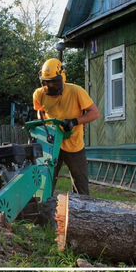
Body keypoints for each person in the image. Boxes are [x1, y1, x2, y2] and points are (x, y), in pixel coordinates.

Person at [33, 58, 101, 195]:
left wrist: (74, 122)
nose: (51, 86)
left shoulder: (76, 91)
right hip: (51, 144)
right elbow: (40, 112)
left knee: (80, 184)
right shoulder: (39, 94)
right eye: (47, 82)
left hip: (74, 144)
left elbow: (95, 113)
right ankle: (43, 209)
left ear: (62, 77)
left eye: (54, 81)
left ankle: (81, 210)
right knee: (45, 181)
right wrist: (44, 125)